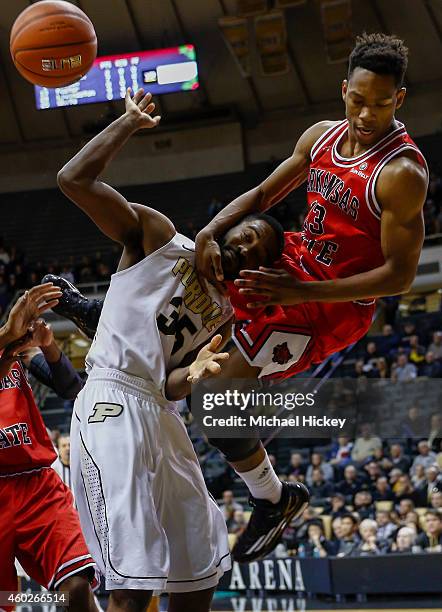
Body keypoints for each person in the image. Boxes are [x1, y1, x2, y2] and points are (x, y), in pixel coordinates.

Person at [55, 88, 308, 609]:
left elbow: (167, 381)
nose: (241, 252)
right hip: (110, 403)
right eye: (243, 237)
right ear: (224, 227)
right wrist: (126, 124)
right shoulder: (159, 238)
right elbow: (73, 181)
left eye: (253, 256)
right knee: (134, 579)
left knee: (198, 567)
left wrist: (192, 374)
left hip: (162, 413)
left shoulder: (227, 316)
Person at [194, 32, 428, 382]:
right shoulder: (321, 135)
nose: (366, 115)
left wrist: (301, 292)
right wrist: (209, 232)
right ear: (344, 90)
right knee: (190, 264)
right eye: (358, 101)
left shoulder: (402, 173)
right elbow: (261, 195)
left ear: (400, 98)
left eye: (381, 104)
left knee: (218, 395)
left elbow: (400, 277)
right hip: (296, 258)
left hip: (335, 304)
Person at [0, 285, 99, 612]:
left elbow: (71, 387)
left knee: (76, 588)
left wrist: (48, 346)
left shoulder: (15, 350)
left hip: (35, 484)